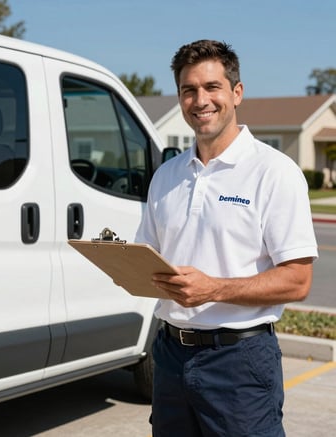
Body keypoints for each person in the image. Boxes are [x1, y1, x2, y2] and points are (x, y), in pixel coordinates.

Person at [135, 39, 318, 437]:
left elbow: (298, 281)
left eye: (211, 87)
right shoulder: (167, 176)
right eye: (189, 90)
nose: (200, 100)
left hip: (239, 362)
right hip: (169, 356)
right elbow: (148, 256)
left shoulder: (274, 172)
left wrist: (213, 289)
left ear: (236, 93)